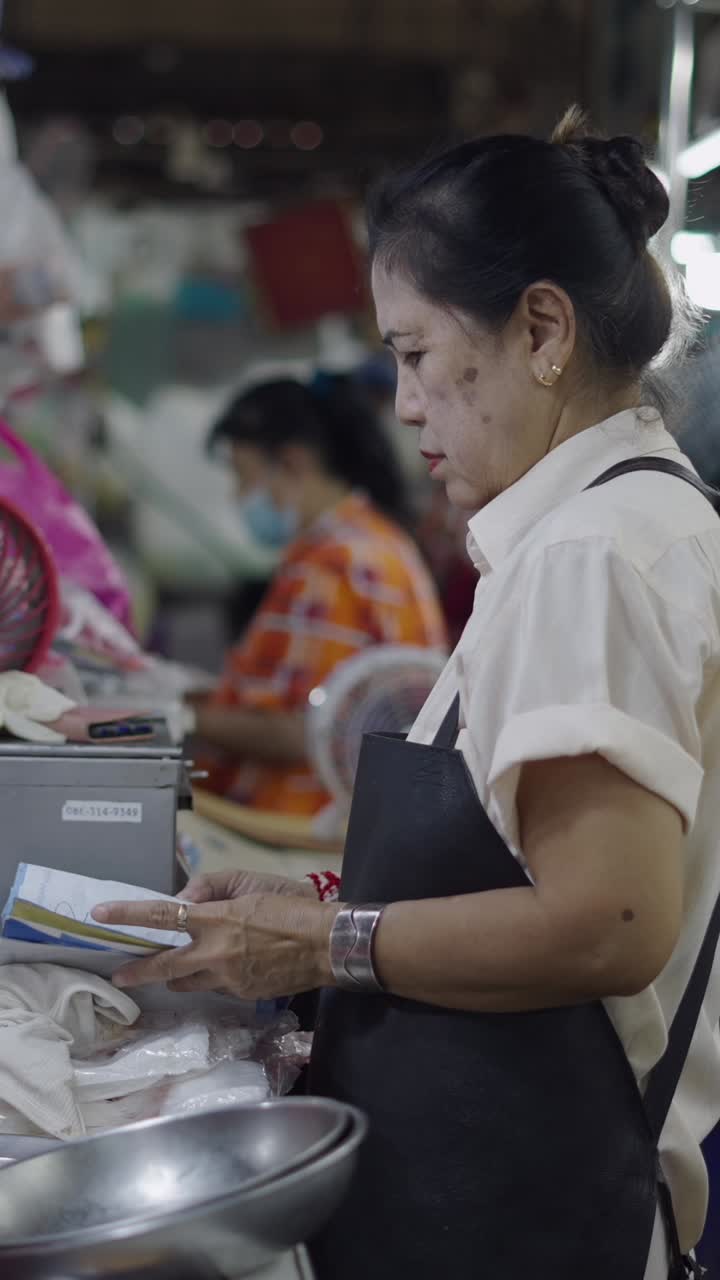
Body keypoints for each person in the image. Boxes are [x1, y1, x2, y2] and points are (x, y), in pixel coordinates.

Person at [94, 108, 720, 1280]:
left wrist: (327, 940)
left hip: (526, 1213)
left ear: (542, 328)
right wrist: (316, 892)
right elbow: (513, 854)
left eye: (418, 352)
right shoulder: (609, 526)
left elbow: (610, 918)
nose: (404, 404)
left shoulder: (597, 550)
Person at [191, 371, 447, 816]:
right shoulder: (371, 540)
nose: (238, 497)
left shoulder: (336, 562)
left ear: (291, 463)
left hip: (300, 820)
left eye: (243, 477)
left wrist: (180, 717)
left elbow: (297, 732)